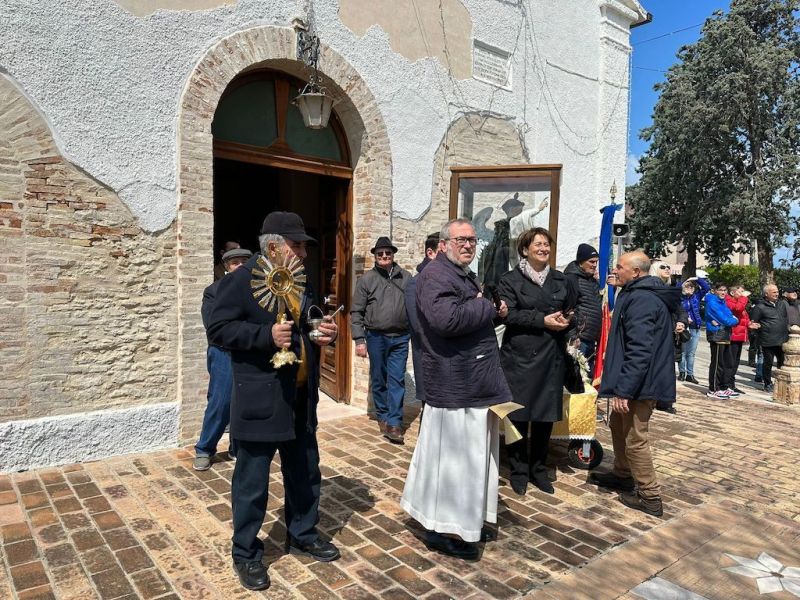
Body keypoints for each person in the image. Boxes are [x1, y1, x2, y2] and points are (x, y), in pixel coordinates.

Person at [207, 212, 340, 591]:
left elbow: (305, 319)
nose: (302, 252)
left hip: (300, 396)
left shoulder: (298, 277)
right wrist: (265, 335)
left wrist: (319, 330)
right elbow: (217, 328)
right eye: (296, 245)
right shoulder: (241, 280)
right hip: (261, 398)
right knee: (252, 481)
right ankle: (246, 552)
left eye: (302, 246)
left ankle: (302, 532)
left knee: (305, 469)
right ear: (274, 245)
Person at [401, 218, 511, 560]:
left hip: (470, 381)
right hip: (454, 384)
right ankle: (441, 528)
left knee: (471, 459)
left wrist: (494, 312)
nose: (467, 245)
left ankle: (465, 520)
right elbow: (446, 320)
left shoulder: (461, 274)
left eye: (472, 240)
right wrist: (486, 306)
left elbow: (467, 313)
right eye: (461, 239)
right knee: (451, 463)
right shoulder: (436, 274)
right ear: (444, 243)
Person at [589, 251, 681, 517]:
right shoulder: (634, 292)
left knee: (635, 438)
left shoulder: (641, 300)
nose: (615, 270)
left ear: (636, 272)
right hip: (636, 380)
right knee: (618, 425)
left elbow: (640, 350)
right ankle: (622, 473)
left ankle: (650, 495)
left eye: (620, 267)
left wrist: (624, 390)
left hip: (642, 383)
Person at [497, 228, 576, 496]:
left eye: (546, 244)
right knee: (518, 417)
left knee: (544, 417)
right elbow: (508, 316)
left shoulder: (561, 279)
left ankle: (539, 470)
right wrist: (541, 320)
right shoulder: (509, 279)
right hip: (519, 357)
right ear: (524, 250)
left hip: (551, 356)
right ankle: (518, 471)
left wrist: (569, 323)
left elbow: (571, 310)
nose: (543, 248)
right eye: (537, 244)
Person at [193, 247, 253, 471]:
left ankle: (236, 446)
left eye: (243, 262)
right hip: (223, 352)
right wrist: (246, 332)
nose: (238, 266)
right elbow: (213, 326)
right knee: (221, 401)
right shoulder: (213, 291)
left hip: (249, 351)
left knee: (244, 401)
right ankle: (204, 449)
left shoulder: (258, 290)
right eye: (234, 262)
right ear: (226, 267)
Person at [351, 237, 412, 443]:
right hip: (375, 337)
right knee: (378, 378)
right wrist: (360, 339)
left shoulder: (407, 277)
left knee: (397, 379)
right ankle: (383, 415)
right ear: (375, 256)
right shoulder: (366, 280)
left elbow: (414, 306)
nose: (384, 256)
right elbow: (356, 312)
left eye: (388, 253)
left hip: (401, 337)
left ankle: (394, 422)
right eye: (380, 254)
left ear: (393, 254)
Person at [405, 233, 440, 405]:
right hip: (430, 359)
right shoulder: (416, 283)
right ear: (430, 253)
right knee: (430, 419)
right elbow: (420, 328)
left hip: (454, 365)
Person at [564, 243, 602, 373]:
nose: (594, 265)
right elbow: (568, 309)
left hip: (590, 338)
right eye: (591, 261)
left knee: (587, 378)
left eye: (596, 262)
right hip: (579, 339)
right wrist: (573, 336)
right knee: (577, 377)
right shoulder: (571, 279)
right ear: (581, 261)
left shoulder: (592, 281)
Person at [749, 284, 789, 393]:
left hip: (782, 339)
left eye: (777, 292)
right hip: (768, 340)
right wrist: (758, 332)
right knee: (768, 363)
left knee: (782, 363)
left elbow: (785, 319)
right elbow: (754, 323)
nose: (777, 294)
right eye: (774, 292)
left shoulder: (781, 304)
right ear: (766, 294)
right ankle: (767, 383)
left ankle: (780, 382)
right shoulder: (760, 307)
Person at [704, 283, 739, 399]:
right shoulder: (712, 303)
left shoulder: (722, 302)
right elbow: (727, 320)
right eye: (720, 290)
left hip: (725, 335)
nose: (723, 292)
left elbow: (729, 316)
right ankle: (713, 388)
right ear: (715, 291)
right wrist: (733, 320)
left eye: (725, 290)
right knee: (717, 363)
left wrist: (732, 319)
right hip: (717, 335)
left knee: (727, 363)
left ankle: (724, 387)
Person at [678, 274, 710, 384]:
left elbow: (706, 288)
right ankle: (682, 372)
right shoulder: (680, 298)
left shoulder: (696, 296)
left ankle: (690, 374)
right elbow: (676, 288)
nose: (690, 289)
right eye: (687, 287)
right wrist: (684, 281)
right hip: (684, 327)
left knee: (691, 353)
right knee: (682, 351)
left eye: (691, 287)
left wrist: (697, 279)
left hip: (695, 327)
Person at [725, 285, 750, 395]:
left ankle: (731, 384)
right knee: (729, 362)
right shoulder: (729, 300)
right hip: (733, 335)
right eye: (740, 292)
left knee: (735, 362)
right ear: (732, 293)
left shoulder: (739, 301)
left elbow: (743, 316)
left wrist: (750, 324)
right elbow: (737, 309)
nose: (743, 294)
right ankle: (726, 384)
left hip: (739, 336)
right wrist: (744, 298)